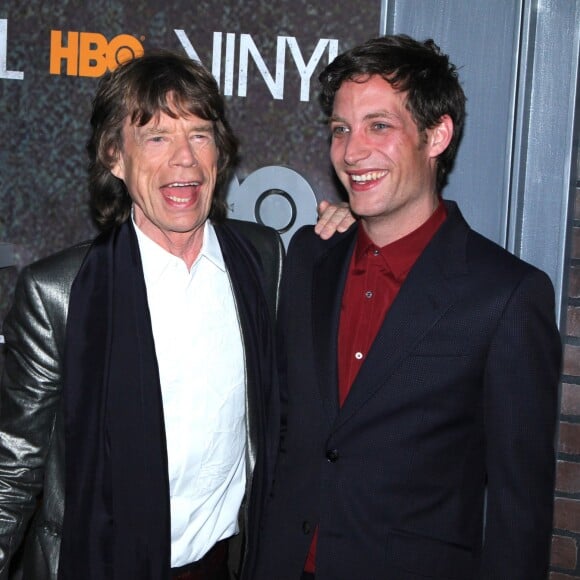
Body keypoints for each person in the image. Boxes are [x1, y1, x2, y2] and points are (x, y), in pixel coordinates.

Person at [0, 51, 351, 580]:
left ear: (220, 153)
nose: (184, 158)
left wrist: (358, 227)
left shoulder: (263, 261)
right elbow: (13, 464)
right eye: (157, 137)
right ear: (115, 157)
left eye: (200, 134)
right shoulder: (59, 292)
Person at [254, 34, 562, 580]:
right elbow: (283, 435)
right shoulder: (308, 257)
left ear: (436, 134)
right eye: (341, 130)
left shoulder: (507, 296)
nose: (351, 152)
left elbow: (519, 512)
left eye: (379, 126)